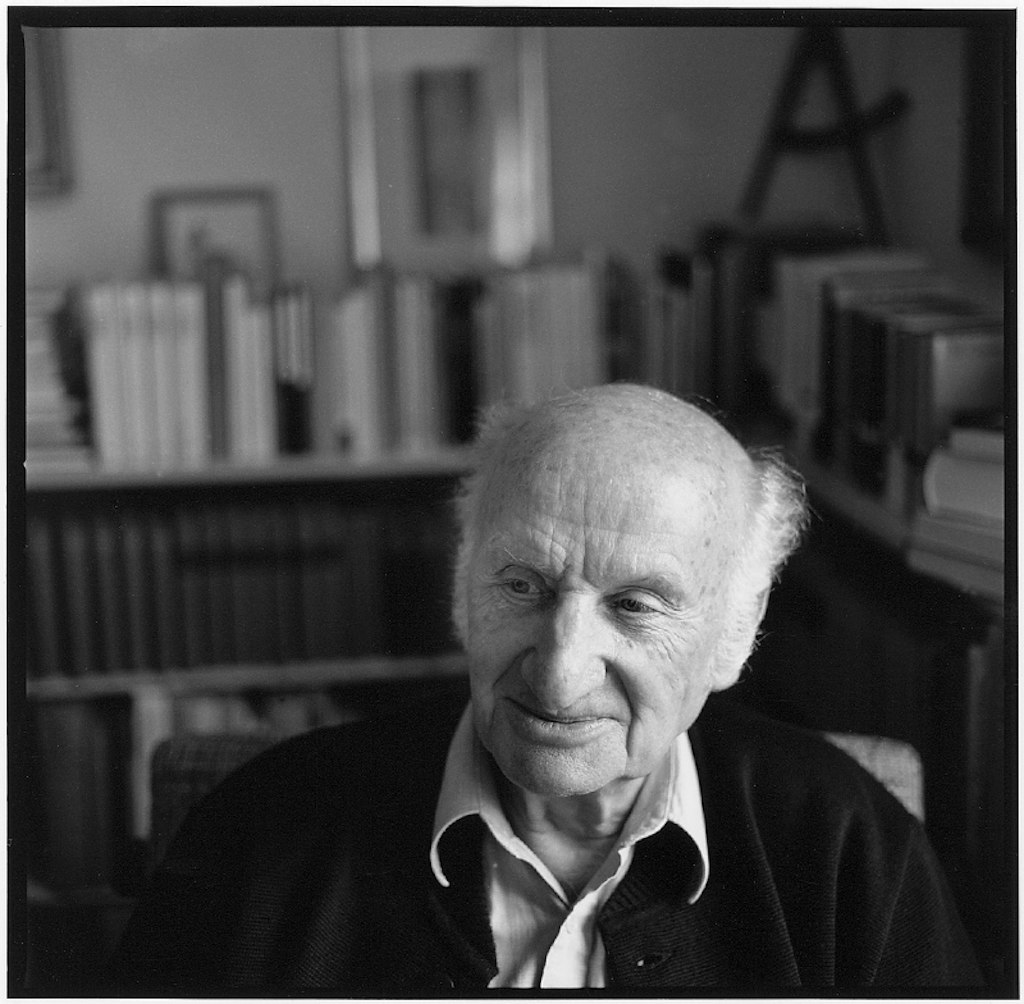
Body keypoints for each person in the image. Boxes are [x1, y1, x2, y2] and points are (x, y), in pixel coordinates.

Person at [110, 383, 981, 991]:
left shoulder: (849, 851)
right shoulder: (255, 834)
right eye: (521, 586)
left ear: (735, 634)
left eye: (636, 606)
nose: (560, 672)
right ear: (461, 586)